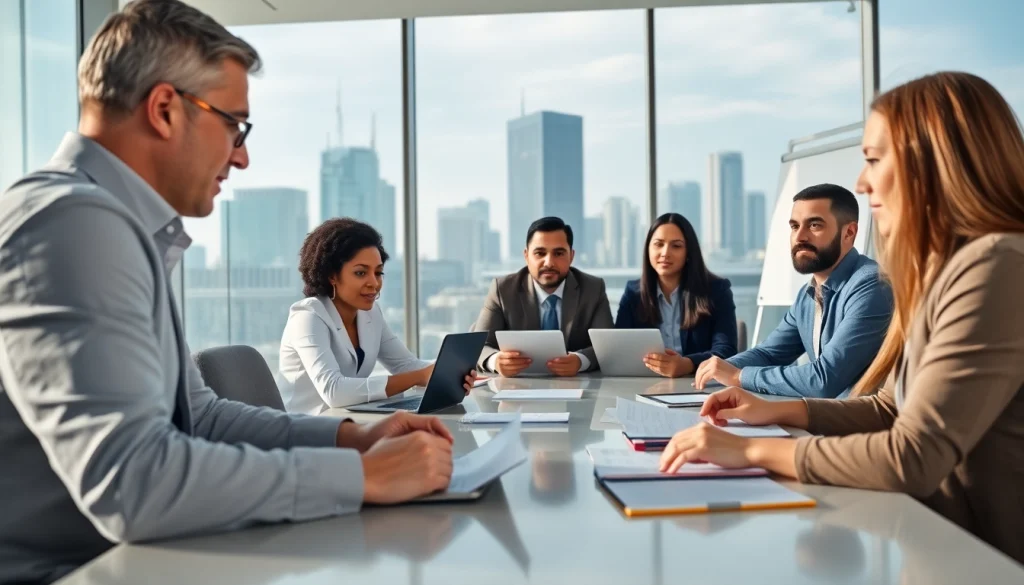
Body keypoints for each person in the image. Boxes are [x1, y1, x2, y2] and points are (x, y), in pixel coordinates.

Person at [0, 2, 452, 582]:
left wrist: (353, 439)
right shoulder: (73, 224)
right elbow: (133, 482)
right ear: (165, 109)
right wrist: (364, 477)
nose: (242, 155)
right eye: (234, 125)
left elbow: (202, 418)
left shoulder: (117, 226)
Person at [659, 71, 1024, 564]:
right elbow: (889, 409)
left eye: (873, 159)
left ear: (934, 161)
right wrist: (775, 410)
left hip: (985, 561)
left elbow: (913, 456)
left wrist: (748, 451)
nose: (862, 182)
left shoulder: (996, 266)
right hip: (936, 549)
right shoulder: (944, 272)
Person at [693, 183, 893, 398]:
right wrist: (716, 369)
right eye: (795, 226)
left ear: (849, 233)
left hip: (863, 418)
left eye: (814, 225)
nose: (800, 237)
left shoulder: (872, 285)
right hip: (824, 414)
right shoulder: (807, 295)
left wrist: (739, 376)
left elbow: (824, 380)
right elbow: (769, 354)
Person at [278, 218, 477, 414]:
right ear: (332, 275)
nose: (374, 283)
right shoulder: (308, 317)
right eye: (360, 273)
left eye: (378, 273)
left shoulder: (370, 314)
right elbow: (334, 391)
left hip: (349, 422)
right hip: (304, 427)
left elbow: (406, 365)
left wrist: (448, 372)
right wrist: (419, 377)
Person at [473, 216, 614, 377]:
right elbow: (478, 346)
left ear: (571, 256)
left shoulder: (593, 289)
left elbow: (608, 346)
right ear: (526, 256)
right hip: (517, 386)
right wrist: (496, 361)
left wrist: (580, 361)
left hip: (576, 385)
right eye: (540, 253)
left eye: (559, 253)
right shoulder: (503, 289)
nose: (548, 262)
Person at [615, 213, 737, 377]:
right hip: (646, 382)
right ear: (648, 249)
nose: (665, 253)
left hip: (698, 383)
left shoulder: (716, 291)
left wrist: (688, 364)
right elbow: (619, 348)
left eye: (676, 246)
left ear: (688, 252)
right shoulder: (633, 293)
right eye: (658, 244)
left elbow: (726, 351)